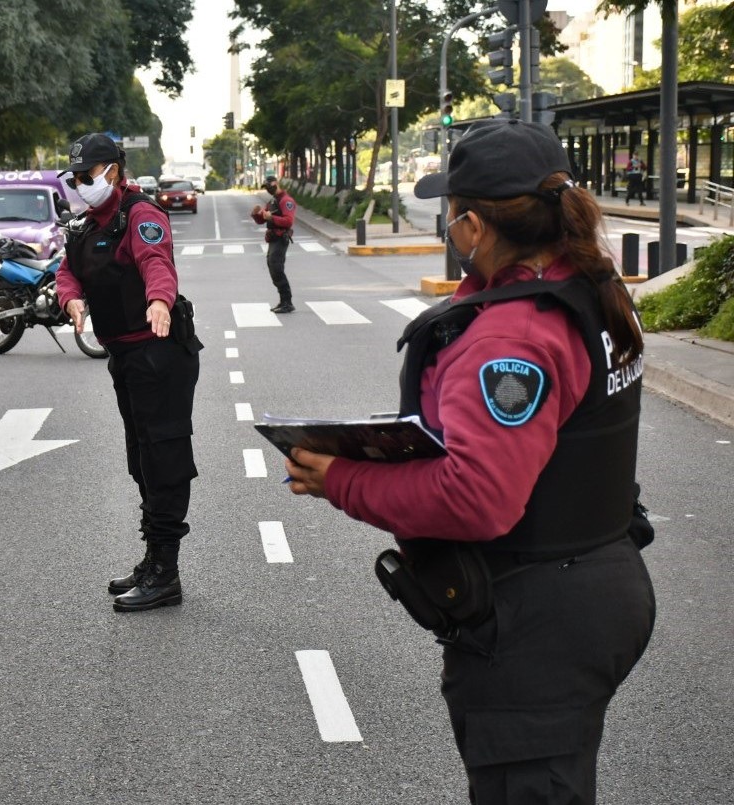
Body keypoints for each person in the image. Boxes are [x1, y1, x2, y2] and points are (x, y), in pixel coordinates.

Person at [284, 120, 655, 803]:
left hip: (537, 624)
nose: (449, 226)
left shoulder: (513, 335)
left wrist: (339, 477)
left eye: (451, 213)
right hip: (594, 586)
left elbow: (477, 496)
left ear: (475, 227)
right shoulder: (589, 287)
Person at [56, 132, 203, 613]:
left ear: (113, 172)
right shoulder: (84, 225)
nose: (82, 184)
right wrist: (72, 299)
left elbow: (156, 263)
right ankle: (151, 559)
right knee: (140, 460)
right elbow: (67, 271)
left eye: (88, 175)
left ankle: (167, 571)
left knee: (163, 460)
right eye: (76, 177)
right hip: (124, 356)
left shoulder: (139, 215)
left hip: (159, 356)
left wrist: (159, 302)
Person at [251, 174, 296, 313]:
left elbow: (289, 221)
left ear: (276, 183)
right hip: (273, 238)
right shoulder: (272, 201)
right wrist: (256, 214)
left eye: (269, 186)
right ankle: (283, 301)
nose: (268, 189)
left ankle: (287, 302)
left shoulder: (286, 201)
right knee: (272, 267)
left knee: (276, 268)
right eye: (266, 187)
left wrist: (272, 217)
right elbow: (263, 219)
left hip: (281, 238)